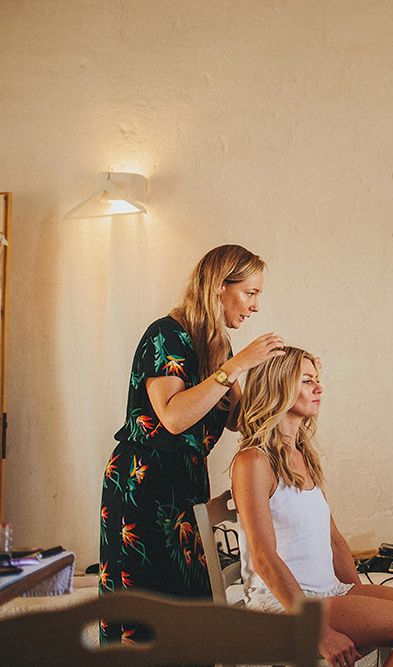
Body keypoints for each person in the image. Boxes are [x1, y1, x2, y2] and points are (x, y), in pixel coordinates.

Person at [99, 244, 286, 644]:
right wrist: (234, 367)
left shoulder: (217, 343)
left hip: (185, 485)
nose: (255, 306)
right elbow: (172, 416)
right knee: (148, 612)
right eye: (250, 293)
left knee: (191, 613)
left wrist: (284, 391)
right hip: (143, 488)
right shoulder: (166, 334)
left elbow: (237, 419)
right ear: (220, 287)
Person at [232, 347, 393, 667]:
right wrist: (320, 633)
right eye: (307, 381)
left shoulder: (302, 455)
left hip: (330, 591)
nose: (319, 388)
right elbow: (264, 558)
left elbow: (334, 540)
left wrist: (362, 598)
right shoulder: (253, 461)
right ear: (278, 388)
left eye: (317, 380)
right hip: (285, 604)